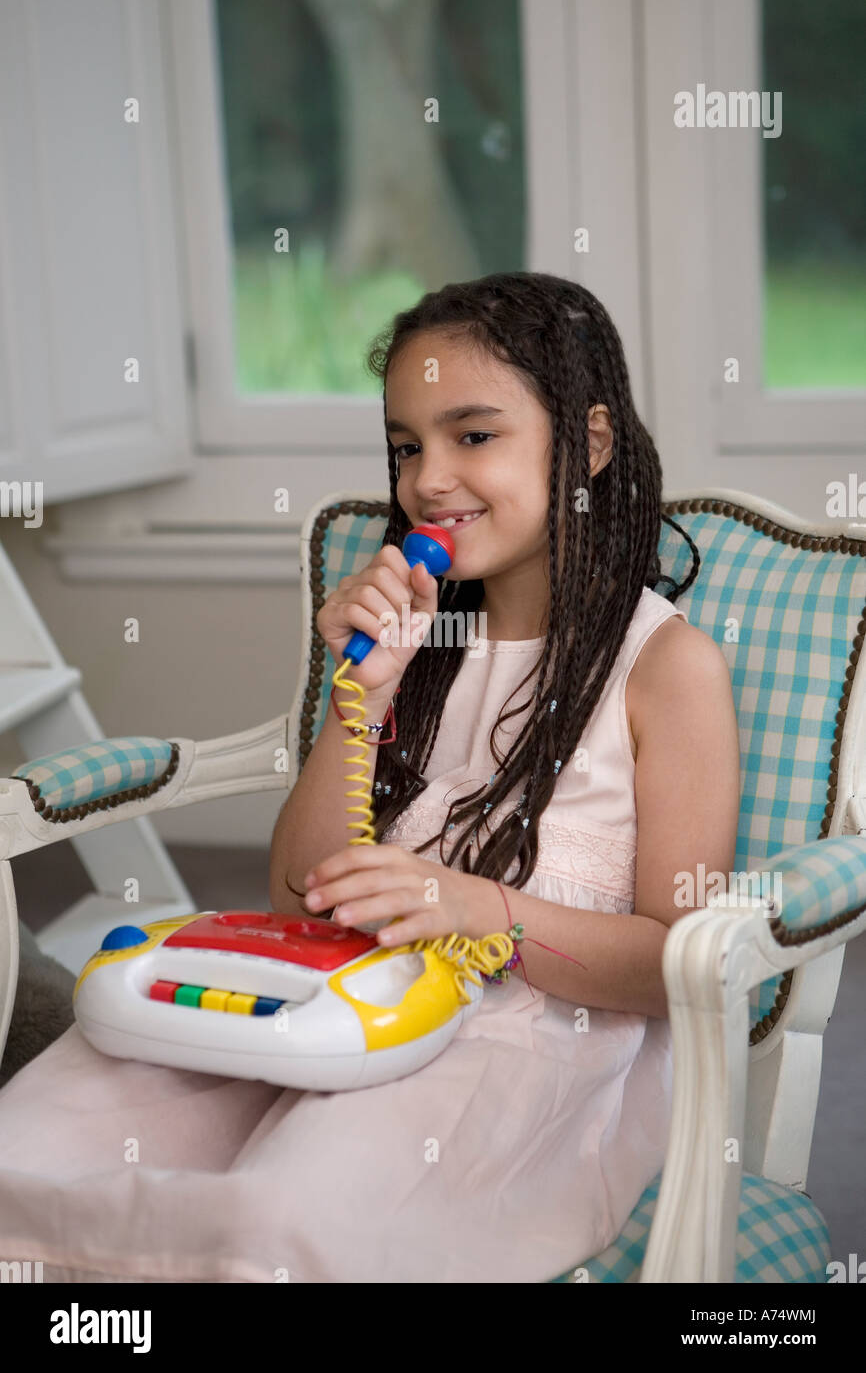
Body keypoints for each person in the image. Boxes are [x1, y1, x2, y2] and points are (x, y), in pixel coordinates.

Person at [0, 272, 740, 1282]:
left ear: (590, 444)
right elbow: (299, 891)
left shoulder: (666, 669)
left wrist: (467, 904)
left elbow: (670, 965)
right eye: (406, 445)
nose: (429, 478)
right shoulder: (418, 643)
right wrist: (367, 694)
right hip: (337, 989)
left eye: (472, 435)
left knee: (279, 1221)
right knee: (40, 1143)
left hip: (523, 1046)